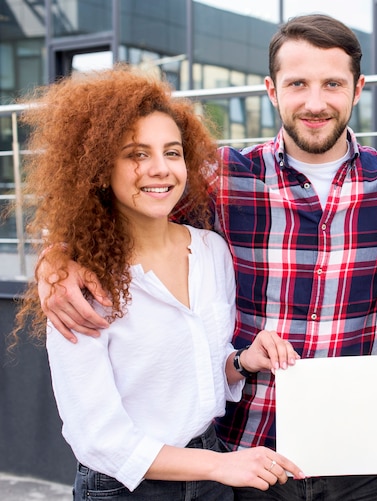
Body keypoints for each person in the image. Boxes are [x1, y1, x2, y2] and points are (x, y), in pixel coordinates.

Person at [35, 15, 377, 501]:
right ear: (272, 90)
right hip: (250, 460)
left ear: (358, 89)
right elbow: (129, 207)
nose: (315, 102)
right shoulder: (222, 178)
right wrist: (59, 255)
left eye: (332, 84)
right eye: (297, 83)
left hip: (366, 460)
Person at [11, 66, 304, 500]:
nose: (160, 169)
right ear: (99, 167)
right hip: (129, 489)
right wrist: (222, 465)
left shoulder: (210, 252)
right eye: (136, 154)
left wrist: (243, 362)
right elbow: (100, 440)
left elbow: (198, 376)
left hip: (212, 478)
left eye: (172, 152)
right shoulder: (77, 283)